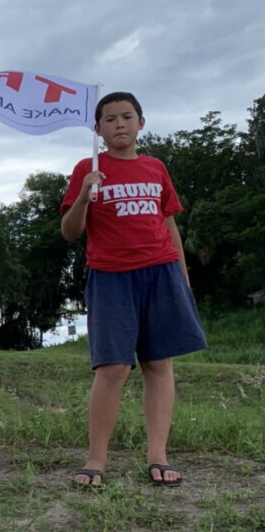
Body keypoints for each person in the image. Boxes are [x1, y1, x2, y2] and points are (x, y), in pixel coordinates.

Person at [60, 91, 206, 488]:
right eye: (110, 119)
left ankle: (158, 455)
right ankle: (95, 460)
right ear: (97, 129)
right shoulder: (87, 168)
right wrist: (84, 197)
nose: (119, 124)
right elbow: (70, 232)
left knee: (158, 364)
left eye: (127, 116)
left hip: (161, 273)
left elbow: (169, 224)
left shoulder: (155, 167)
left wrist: (183, 278)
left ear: (141, 123)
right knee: (113, 367)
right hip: (111, 276)